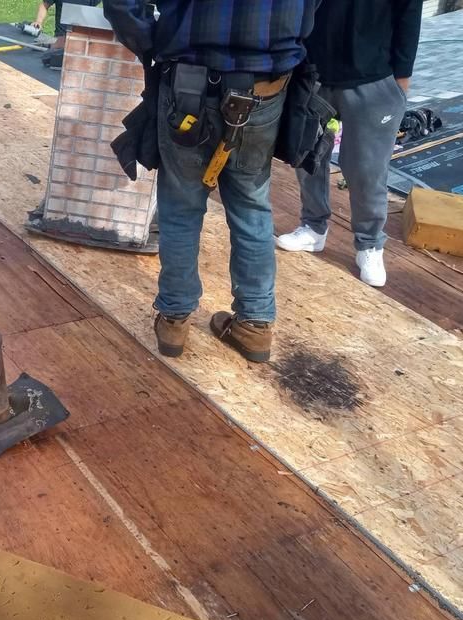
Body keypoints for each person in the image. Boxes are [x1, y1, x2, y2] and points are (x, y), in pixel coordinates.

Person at [103, 0, 319, 362]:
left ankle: (173, 319)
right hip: (264, 88)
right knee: (251, 205)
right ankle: (255, 324)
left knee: (181, 205)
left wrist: (156, 43)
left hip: (188, 84)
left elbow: (121, 5)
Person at [275, 0, 423, 287]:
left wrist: (402, 79)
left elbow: (409, 12)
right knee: (307, 157)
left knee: (367, 170)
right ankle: (313, 226)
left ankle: (369, 245)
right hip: (313, 71)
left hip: (374, 77)